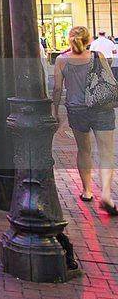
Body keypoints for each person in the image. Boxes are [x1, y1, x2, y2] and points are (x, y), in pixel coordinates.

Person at [52, 26, 117, 215]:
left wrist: (55, 112)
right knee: (106, 152)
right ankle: (106, 193)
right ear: (89, 40)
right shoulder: (98, 57)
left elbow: (57, 89)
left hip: (77, 109)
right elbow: (110, 81)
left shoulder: (62, 60)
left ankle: (87, 190)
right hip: (101, 108)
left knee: (84, 149)